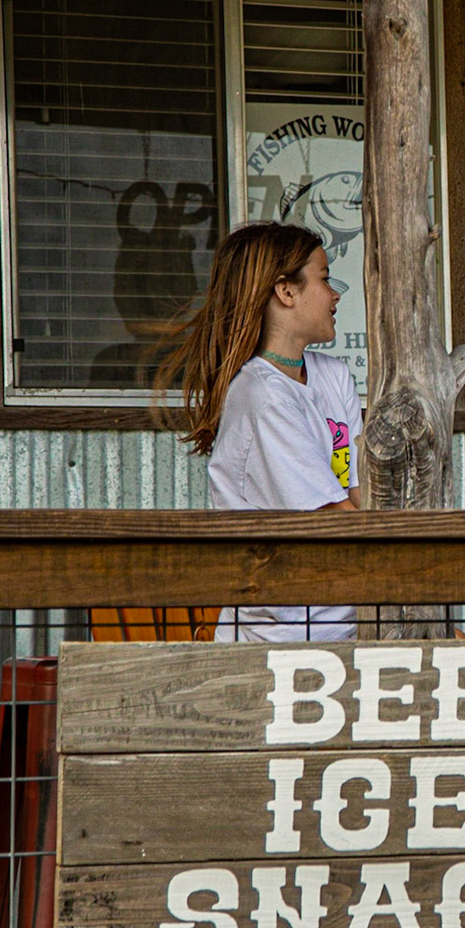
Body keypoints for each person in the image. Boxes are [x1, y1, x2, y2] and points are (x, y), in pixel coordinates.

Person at [155, 221, 362, 642]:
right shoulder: (260, 395)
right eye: (323, 279)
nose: (335, 294)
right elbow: (337, 522)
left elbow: (360, 493)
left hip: (353, 625)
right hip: (283, 646)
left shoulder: (333, 376)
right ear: (286, 292)